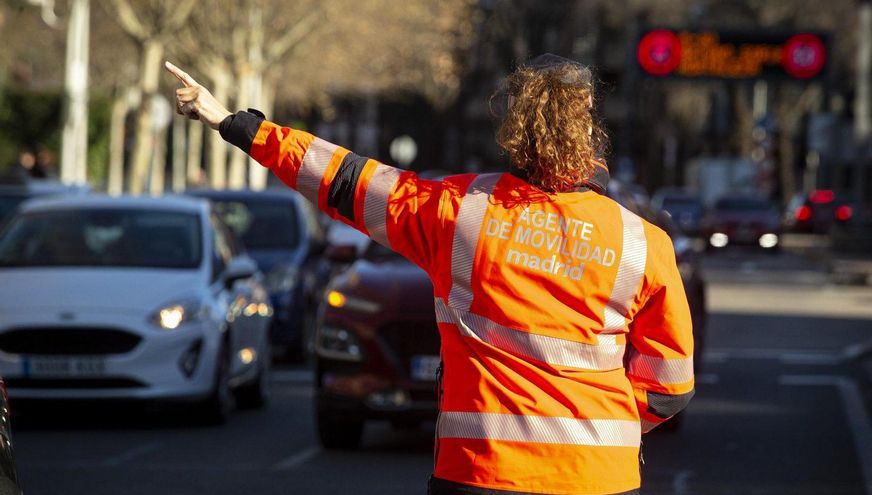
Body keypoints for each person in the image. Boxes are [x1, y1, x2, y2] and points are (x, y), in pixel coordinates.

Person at [166, 54, 694, 495]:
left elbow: (344, 179)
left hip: (481, 472)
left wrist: (235, 124)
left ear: (514, 131)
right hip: (599, 478)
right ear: (592, 134)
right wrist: (604, 426)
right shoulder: (641, 243)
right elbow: (670, 384)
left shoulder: (460, 211)